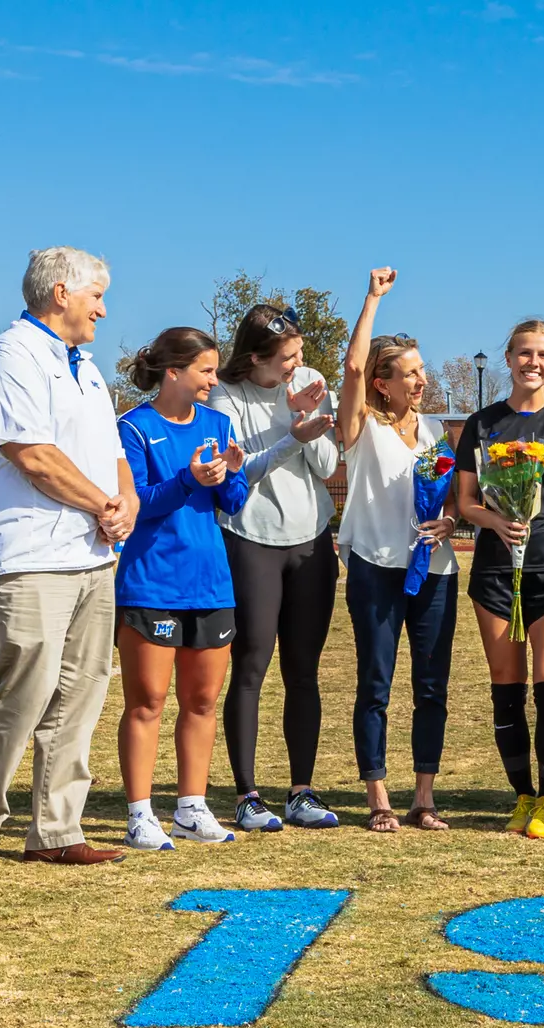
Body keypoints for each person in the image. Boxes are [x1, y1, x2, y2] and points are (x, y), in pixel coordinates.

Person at [0, 246, 134, 872]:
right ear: (61, 292)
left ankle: (57, 830)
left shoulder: (88, 369)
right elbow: (30, 454)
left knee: (83, 693)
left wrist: (125, 503)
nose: (103, 310)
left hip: (91, 557)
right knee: (24, 692)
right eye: (96, 297)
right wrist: (103, 506)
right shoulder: (9, 357)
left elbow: (113, 455)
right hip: (27, 555)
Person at [455, 319, 544, 839]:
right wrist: (495, 520)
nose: (531, 362)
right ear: (508, 359)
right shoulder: (484, 423)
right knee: (507, 692)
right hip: (496, 571)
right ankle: (519, 797)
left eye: (542, 354)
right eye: (522, 353)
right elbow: (466, 501)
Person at [206, 305, 342, 833]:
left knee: (303, 671)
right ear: (257, 357)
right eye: (288, 358)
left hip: (310, 538)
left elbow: (328, 466)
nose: (298, 366)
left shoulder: (309, 381)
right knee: (252, 665)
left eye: (300, 354)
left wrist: (303, 419)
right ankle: (247, 796)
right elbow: (244, 472)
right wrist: (291, 427)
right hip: (249, 539)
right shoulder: (225, 394)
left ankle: (301, 792)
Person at [114, 327, 249, 850]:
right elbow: (136, 503)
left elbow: (232, 502)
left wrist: (230, 475)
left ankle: (191, 808)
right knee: (146, 702)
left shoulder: (217, 422)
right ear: (174, 372)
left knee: (201, 701)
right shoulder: (133, 427)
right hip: (151, 584)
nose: (214, 381)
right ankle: (139, 813)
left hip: (212, 585)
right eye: (206, 371)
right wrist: (191, 479)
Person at [336, 267, 460, 832]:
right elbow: (354, 365)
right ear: (382, 383)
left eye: (421, 369)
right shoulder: (361, 427)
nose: (420, 379)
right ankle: (379, 797)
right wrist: (372, 300)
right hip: (376, 569)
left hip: (434, 571)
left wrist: (451, 523)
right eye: (408, 373)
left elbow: (453, 501)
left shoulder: (436, 430)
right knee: (376, 681)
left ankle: (424, 798)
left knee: (433, 685)